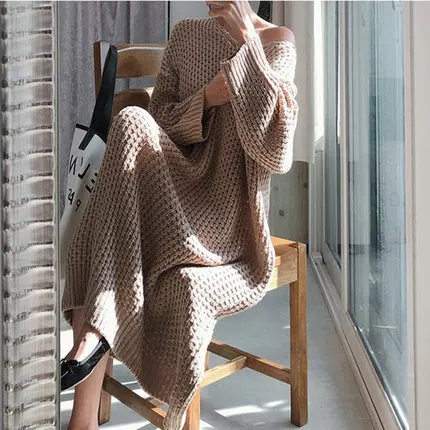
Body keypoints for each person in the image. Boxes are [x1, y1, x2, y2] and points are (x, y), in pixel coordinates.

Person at [60, 1, 298, 429]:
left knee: (97, 237)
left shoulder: (277, 41)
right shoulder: (186, 35)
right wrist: (207, 99)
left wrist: (248, 41)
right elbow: (160, 122)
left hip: (225, 218)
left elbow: (275, 151)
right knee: (131, 119)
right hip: (171, 190)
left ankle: (86, 394)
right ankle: (84, 410)